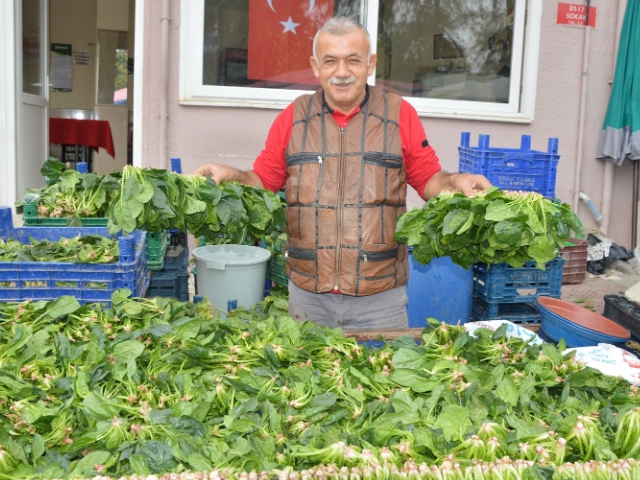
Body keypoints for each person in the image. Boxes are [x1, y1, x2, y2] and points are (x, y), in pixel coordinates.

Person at [195, 17, 490, 329]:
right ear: (315, 66)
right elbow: (262, 182)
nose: (342, 72)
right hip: (309, 299)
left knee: (383, 377)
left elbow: (429, 179)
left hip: (381, 300)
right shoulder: (293, 118)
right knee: (310, 378)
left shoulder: (399, 113)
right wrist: (231, 174)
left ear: (370, 63)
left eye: (353, 60)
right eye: (330, 61)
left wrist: (457, 181)